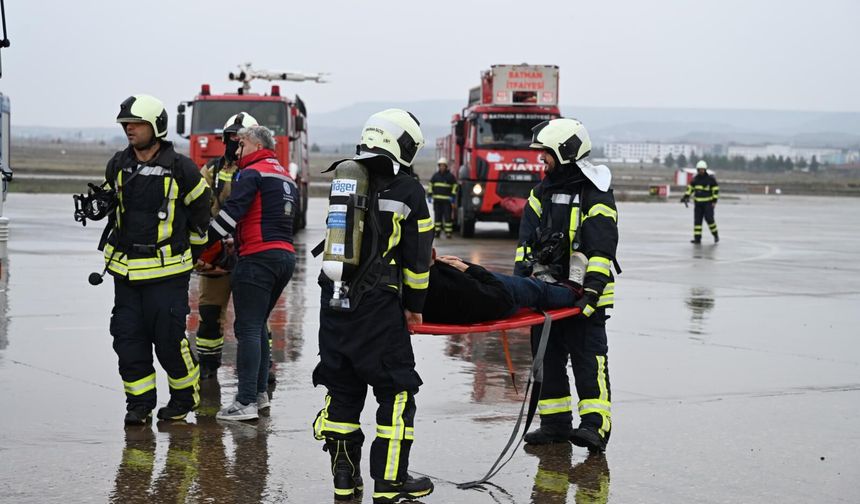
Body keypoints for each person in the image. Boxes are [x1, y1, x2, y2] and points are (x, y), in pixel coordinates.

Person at [312, 109, 435, 503]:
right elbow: (418, 262)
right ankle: (390, 484)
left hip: (332, 303)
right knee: (396, 394)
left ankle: (344, 483)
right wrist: (415, 306)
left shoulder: (347, 180)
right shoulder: (410, 191)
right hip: (379, 309)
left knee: (343, 393)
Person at [102, 94, 212, 425]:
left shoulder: (182, 168)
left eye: (135, 124)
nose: (129, 130)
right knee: (128, 341)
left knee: (168, 340)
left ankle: (183, 398)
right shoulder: (118, 165)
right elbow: (113, 206)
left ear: (156, 127)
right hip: (126, 273)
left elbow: (202, 209)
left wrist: (189, 250)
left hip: (167, 274)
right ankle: (139, 405)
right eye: (126, 125)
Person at [514, 118, 618, 452]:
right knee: (548, 361)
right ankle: (555, 425)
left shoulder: (595, 190)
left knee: (589, 361)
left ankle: (594, 427)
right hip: (547, 295)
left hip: (585, 297)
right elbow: (525, 244)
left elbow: (601, 247)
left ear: (565, 151)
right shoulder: (540, 192)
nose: (540, 159)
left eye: (545, 153)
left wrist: (591, 291)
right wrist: (520, 289)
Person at [204, 125, 297, 421]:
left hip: (257, 259)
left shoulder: (252, 172)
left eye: (240, 144)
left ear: (255, 144)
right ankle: (259, 396)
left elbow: (233, 212)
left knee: (247, 328)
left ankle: (244, 402)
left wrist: (202, 240)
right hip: (284, 258)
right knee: (258, 327)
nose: (237, 151)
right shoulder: (284, 175)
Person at [195, 112, 258, 379]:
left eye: (241, 137)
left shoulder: (260, 171)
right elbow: (198, 209)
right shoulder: (211, 171)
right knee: (209, 315)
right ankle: (208, 369)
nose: (235, 142)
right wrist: (205, 249)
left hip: (250, 255)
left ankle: (261, 373)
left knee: (255, 320)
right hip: (217, 256)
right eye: (231, 136)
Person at [423, 254, 581, 324]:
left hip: (440, 293)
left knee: (531, 287)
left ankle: (551, 284)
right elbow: (501, 296)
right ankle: (574, 290)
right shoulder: (460, 291)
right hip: (493, 296)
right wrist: (465, 267)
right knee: (535, 289)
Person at [681, 160, 720, 243]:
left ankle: (715, 235)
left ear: (705, 169)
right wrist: (685, 196)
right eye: (699, 169)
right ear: (697, 169)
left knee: (710, 220)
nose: (701, 171)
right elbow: (690, 189)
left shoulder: (710, 179)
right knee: (697, 222)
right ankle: (697, 239)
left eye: (702, 169)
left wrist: (714, 201)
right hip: (698, 204)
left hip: (708, 204)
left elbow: (715, 190)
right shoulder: (695, 179)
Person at [428, 157, 458, 238]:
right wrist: (429, 195)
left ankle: (448, 233)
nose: (442, 167)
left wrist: (453, 195)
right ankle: (437, 232)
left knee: (448, 218)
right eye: (440, 165)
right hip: (437, 201)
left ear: (446, 166)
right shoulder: (435, 176)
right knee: (437, 218)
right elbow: (430, 185)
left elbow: (455, 186)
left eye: (443, 165)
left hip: (447, 201)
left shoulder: (450, 176)